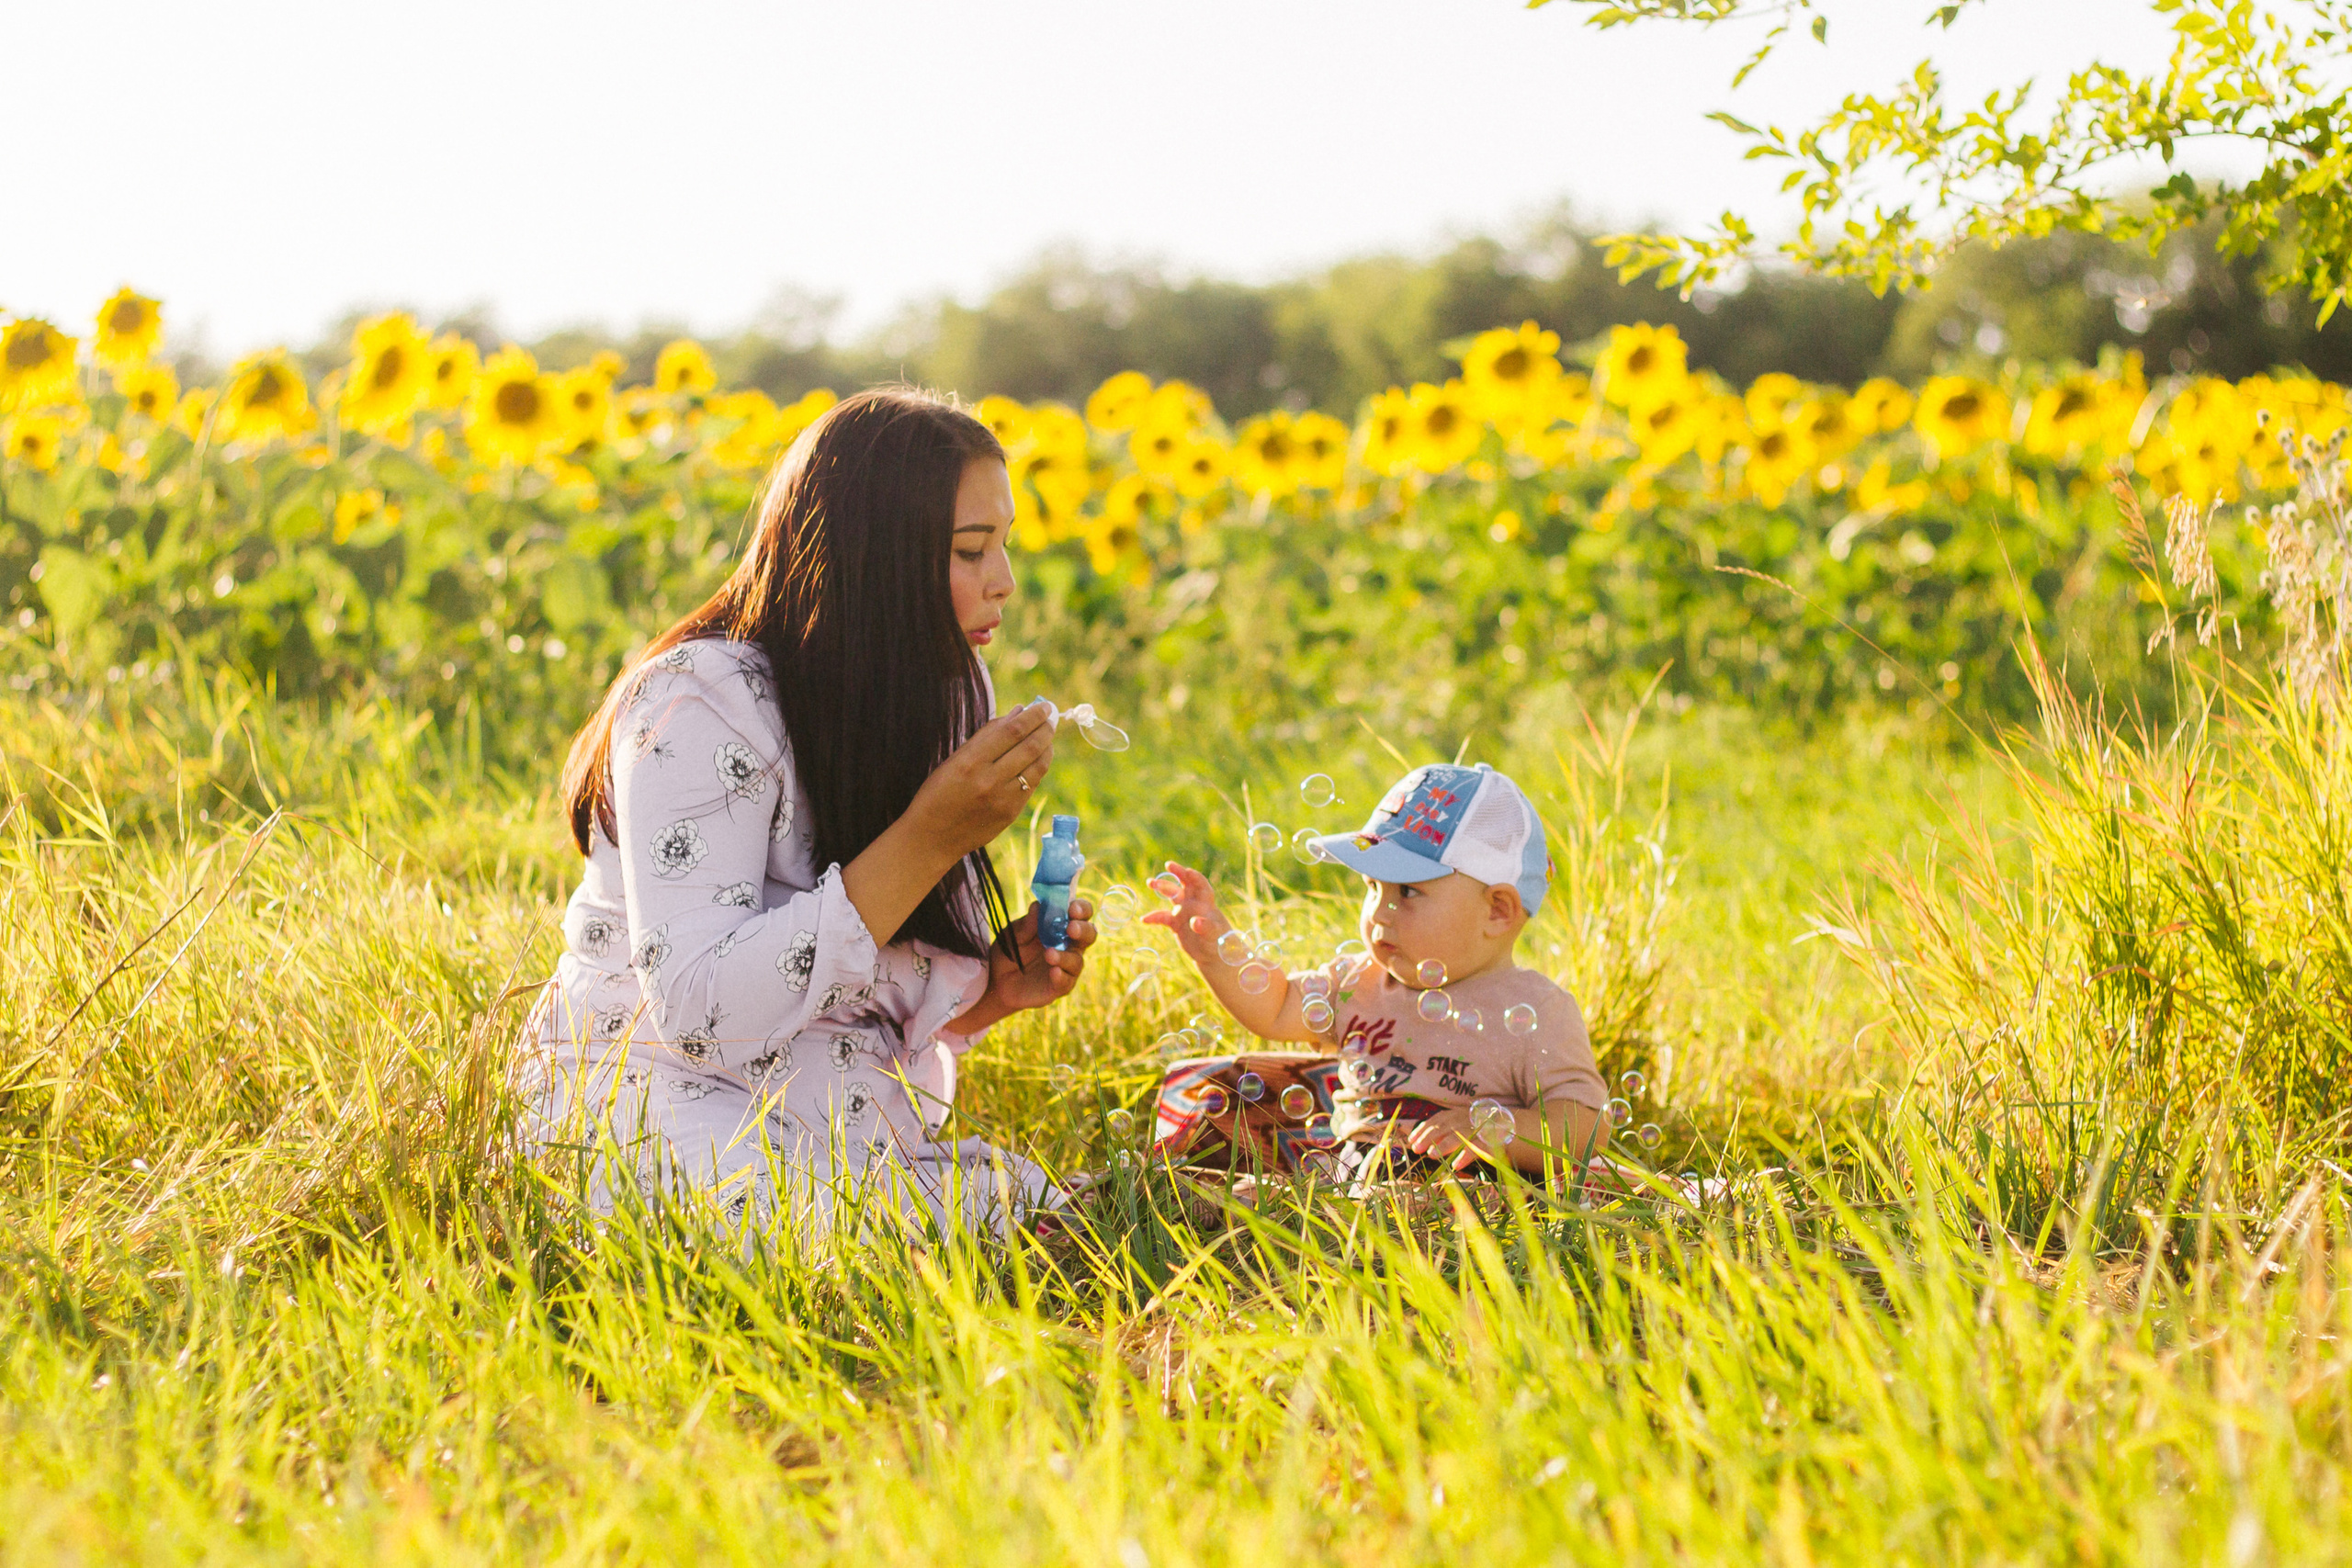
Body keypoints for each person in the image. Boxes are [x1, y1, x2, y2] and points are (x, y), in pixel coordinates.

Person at [517, 387, 1093, 1235]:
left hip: (825, 1105)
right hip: (649, 1095)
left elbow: (860, 989)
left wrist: (991, 994)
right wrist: (931, 837)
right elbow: (698, 1010)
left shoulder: (945, 695)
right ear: (874, 558)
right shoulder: (701, 700)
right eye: (972, 550)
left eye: (1005, 545)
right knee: (833, 1229)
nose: (1004, 582)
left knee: (1012, 1217)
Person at [1145, 762, 1608, 1179]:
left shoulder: (1536, 1009)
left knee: (1422, 1202)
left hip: (1458, 1189)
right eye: (1372, 887)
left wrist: (1497, 1133)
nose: (1379, 913)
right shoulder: (1359, 982)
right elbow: (1278, 1004)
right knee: (1211, 1088)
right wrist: (1215, 950)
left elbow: (1585, 1128)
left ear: (1498, 912)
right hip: (1352, 1170)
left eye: (1407, 892)